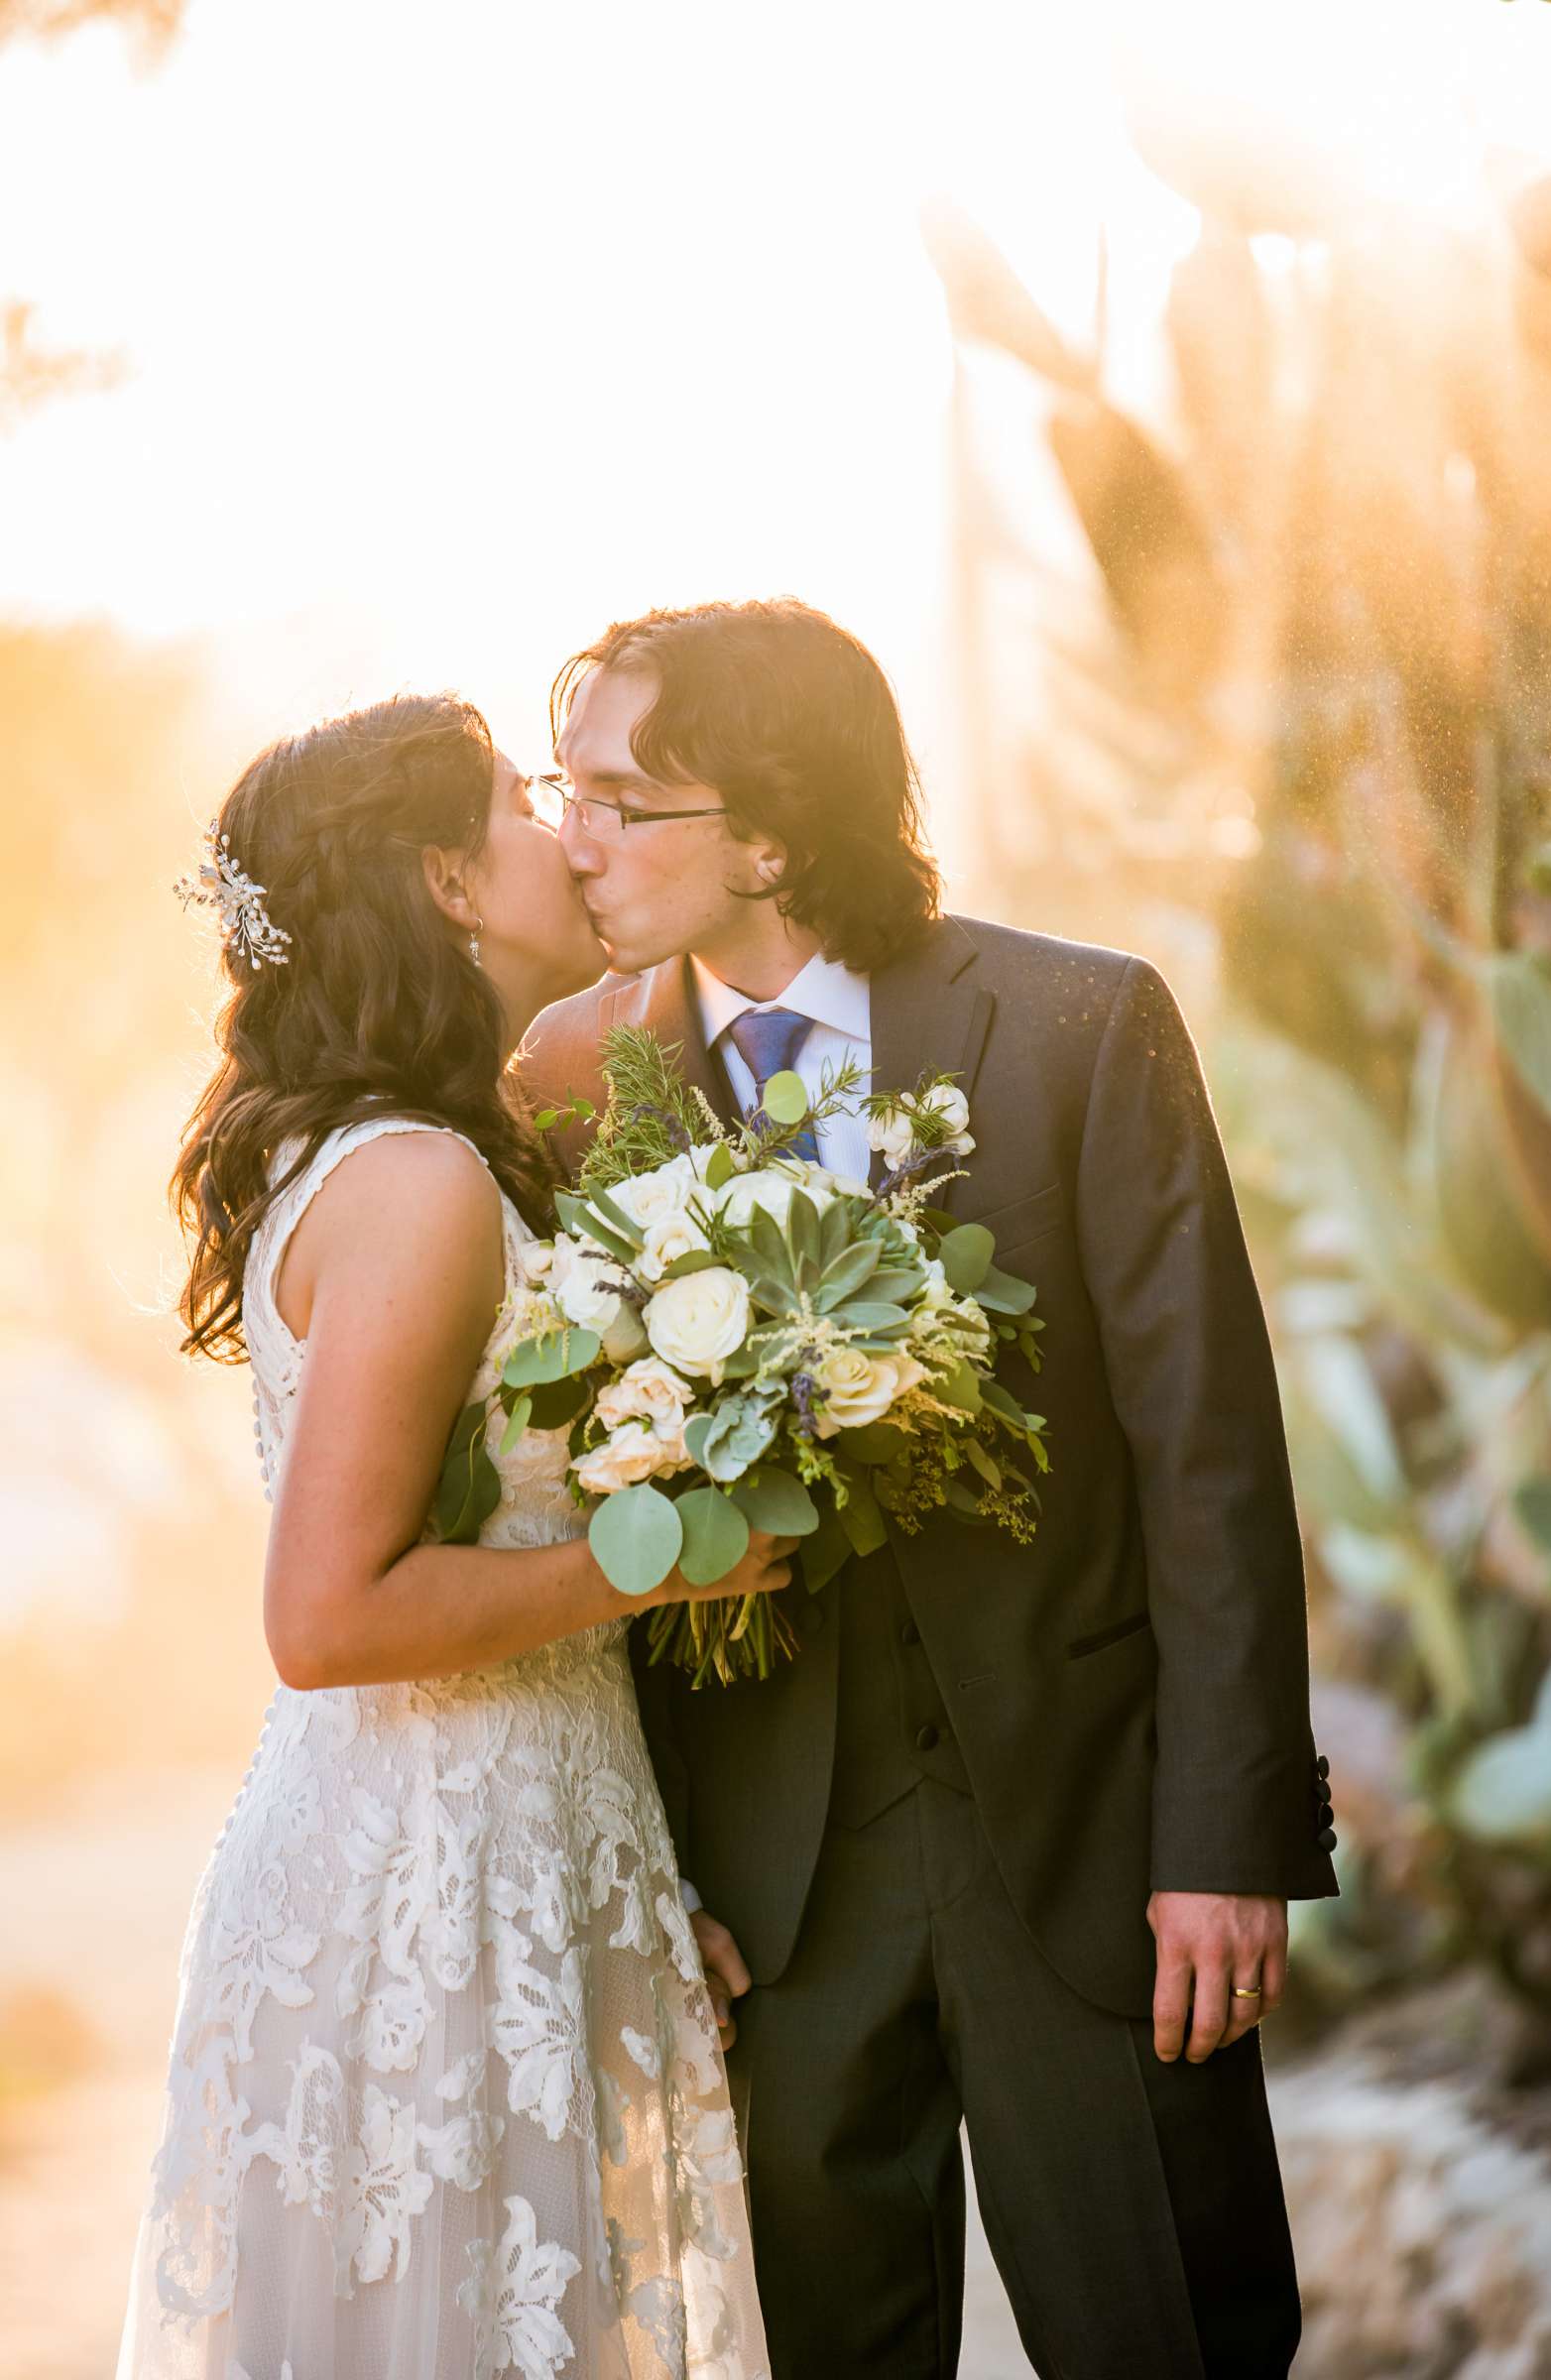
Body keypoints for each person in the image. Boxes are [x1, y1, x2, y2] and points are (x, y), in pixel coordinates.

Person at [524, 601, 1341, 2380]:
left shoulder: (1073, 1023)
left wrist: (1224, 1841)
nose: (566, 836)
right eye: (556, 786)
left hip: (1099, 1857)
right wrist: (663, 1876)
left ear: (767, 828)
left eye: (614, 799)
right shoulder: (572, 1096)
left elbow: (1209, 1457)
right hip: (776, 1894)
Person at [117, 692, 779, 2380]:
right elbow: (327, 1616)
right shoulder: (411, 1180)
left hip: (512, 1848)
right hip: (429, 1881)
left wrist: (641, 1874)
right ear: (448, 885)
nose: (571, 833)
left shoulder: (434, 1152)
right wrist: (670, 1554)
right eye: (519, 802)